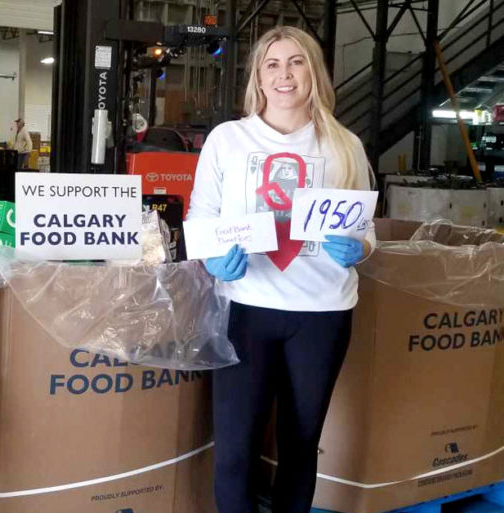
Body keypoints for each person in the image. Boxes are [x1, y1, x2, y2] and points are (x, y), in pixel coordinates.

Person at [186, 26, 376, 513]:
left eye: (297, 62)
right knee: (234, 448)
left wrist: (360, 248)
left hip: (322, 312)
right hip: (246, 309)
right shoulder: (228, 140)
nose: (285, 74)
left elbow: (364, 227)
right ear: (259, 77)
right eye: (273, 64)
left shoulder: (344, 145)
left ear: (314, 73)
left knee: (300, 445)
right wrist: (212, 257)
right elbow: (202, 217)